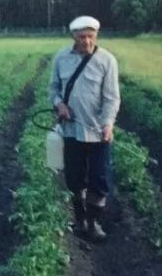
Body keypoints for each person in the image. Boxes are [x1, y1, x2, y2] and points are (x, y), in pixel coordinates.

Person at [49, 15, 120, 242]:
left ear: (96, 35)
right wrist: (59, 104)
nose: (87, 41)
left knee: (99, 179)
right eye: (82, 37)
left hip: (99, 134)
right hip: (71, 131)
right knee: (75, 178)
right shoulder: (61, 58)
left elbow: (112, 99)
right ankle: (80, 219)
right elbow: (53, 89)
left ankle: (94, 223)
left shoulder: (107, 61)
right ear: (73, 37)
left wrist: (108, 124)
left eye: (91, 36)